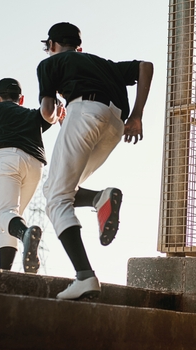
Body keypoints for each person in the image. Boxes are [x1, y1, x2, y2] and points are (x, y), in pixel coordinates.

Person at [36, 22, 154, 300]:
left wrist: (57, 116)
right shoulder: (102, 63)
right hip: (115, 125)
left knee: (56, 197)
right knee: (60, 189)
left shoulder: (50, 63)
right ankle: (99, 198)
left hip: (83, 114)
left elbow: (46, 111)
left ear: (52, 45)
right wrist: (137, 114)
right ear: (78, 46)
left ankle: (84, 276)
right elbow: (145, 66)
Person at [0, 78, 63, 273]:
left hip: (7, 159)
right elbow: (50, 117)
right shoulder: (32, 115)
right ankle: (6, 272)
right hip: (35, 165)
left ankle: (26, 233)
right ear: (21, 99)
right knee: (12, 216)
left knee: (5, 214)